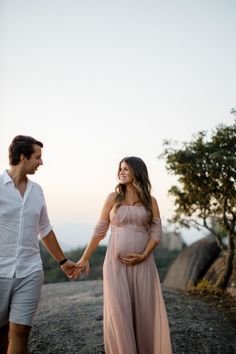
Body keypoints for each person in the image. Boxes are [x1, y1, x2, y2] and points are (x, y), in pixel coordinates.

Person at [75, 156, 172, 354]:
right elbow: (100, 230)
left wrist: (144, 255)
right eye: (120, 168)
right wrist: (85, 257)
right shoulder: (113, 198)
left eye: (126, 169)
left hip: (143, 264)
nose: (121, 172)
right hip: (115, 264)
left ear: (137, 171)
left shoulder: (150, 201)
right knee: (119, 312)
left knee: (144, 311)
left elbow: (156, 233)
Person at [0, 135, 76, 354]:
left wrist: (62, 261)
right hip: (1, 270)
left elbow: (45, 229)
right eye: (37, 157)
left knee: (21, 332)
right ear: (22, 157)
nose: (41, 163)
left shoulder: (37, 191)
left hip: (30, 270)